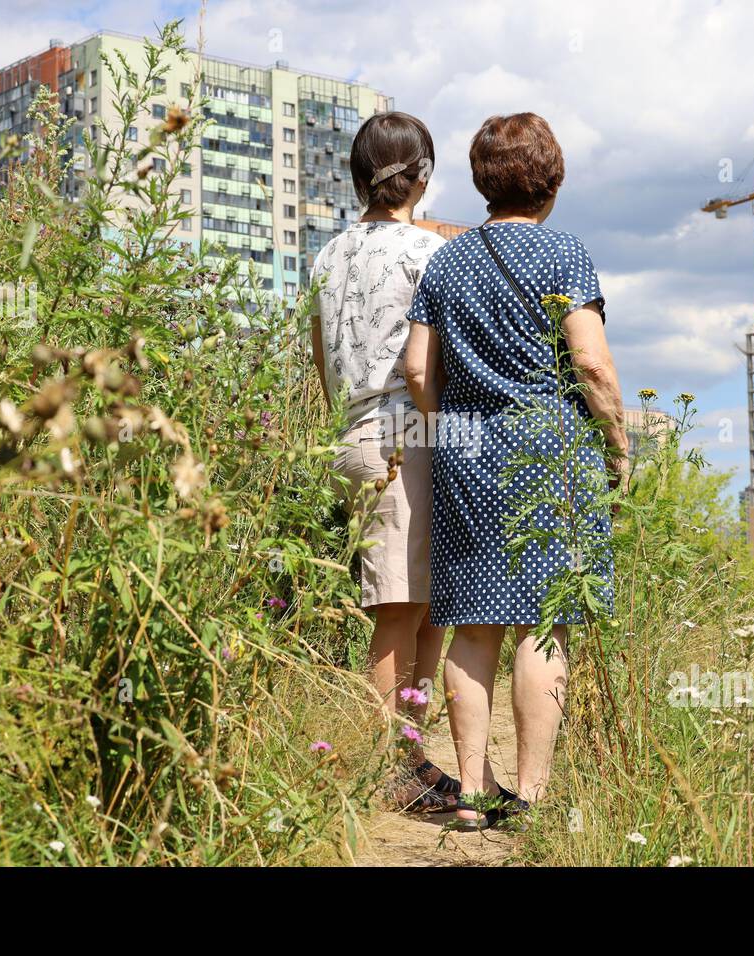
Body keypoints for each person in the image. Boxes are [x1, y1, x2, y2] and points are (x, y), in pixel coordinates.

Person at [404, 113, 627, 829]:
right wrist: (619, 447)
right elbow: (591, 362)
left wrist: (449, 427)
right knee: (543, 623)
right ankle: (529, 796)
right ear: (552, 181)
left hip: (465, 446)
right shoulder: (565, 254)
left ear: (481, 182)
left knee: (472, 624)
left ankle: (469, 792)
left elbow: (415, 367)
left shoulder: (447, 261)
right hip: (548, 448)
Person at [309, 111, 459, 811]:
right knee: (399, 610)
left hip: (353, 434)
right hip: (408, 436)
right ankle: (395, 770)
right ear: (421, 175)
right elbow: (430, 365)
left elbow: (319, 360)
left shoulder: (327, 254)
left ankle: (412, 758)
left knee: (416, 604)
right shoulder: (425, 253)